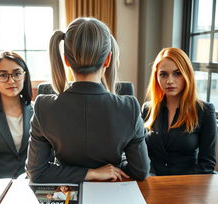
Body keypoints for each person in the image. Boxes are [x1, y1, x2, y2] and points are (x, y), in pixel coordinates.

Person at [26, 17, 150, 183]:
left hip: (65, 193)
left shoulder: (43, 106)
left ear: (66, 60)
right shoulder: (130, 107)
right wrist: (107, 170)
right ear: (108, 59)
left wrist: (88, 173)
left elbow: (36, 172)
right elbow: (141, 171)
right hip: (114, 194)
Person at [142, 47, 217, 175]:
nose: (170, 81)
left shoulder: (204, 111)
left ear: (187, 74)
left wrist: (177, 185)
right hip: (151, 183)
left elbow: (206, 165)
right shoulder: (148, 109)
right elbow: (140, 154)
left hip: (187, 187)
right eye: (163, 74)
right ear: (156, 77)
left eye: (177, 73)